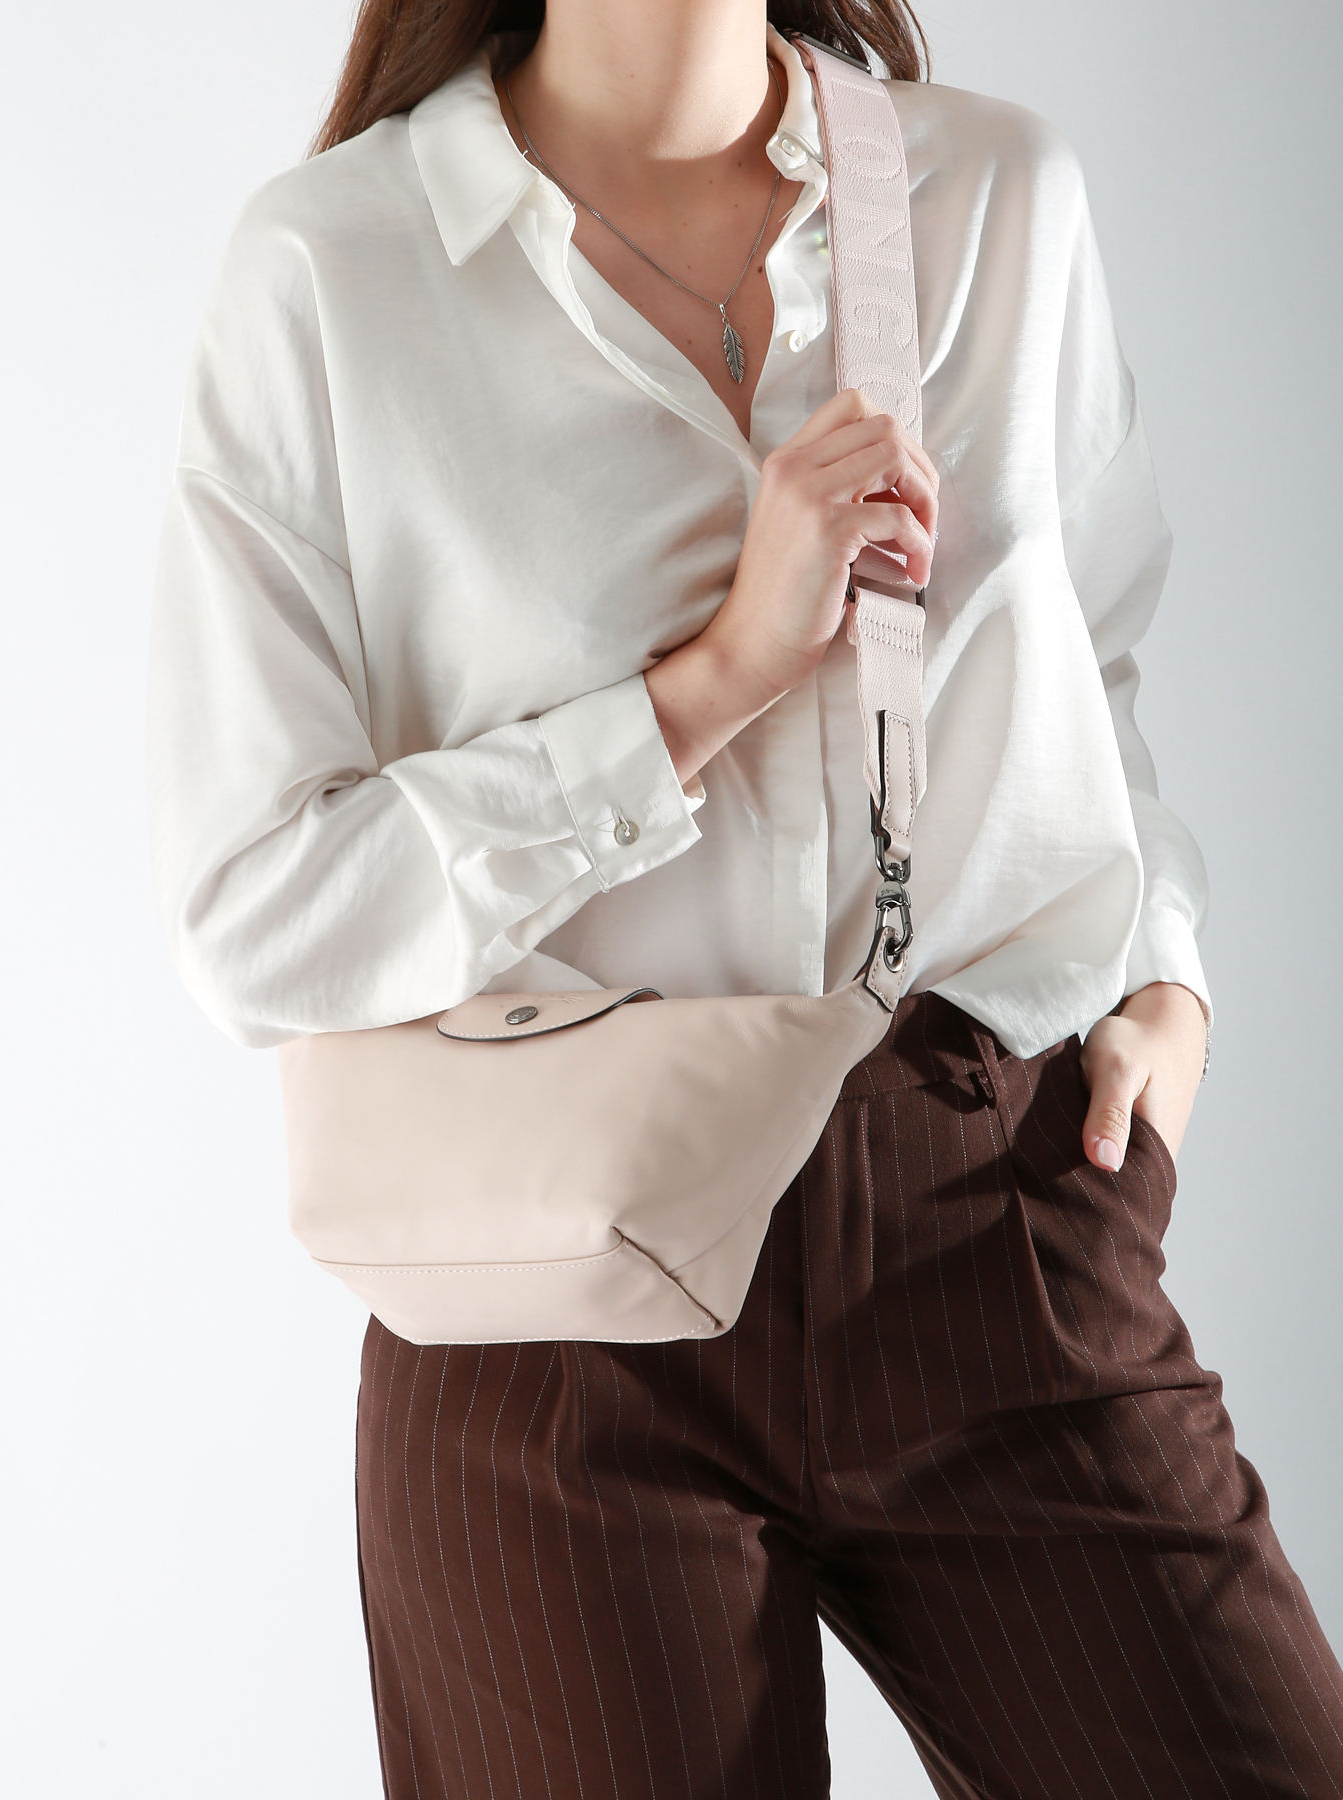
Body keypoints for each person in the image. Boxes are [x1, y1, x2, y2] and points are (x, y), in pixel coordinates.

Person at [143, 2, 1343, 1794]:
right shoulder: (331, 268)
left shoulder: (990, 194)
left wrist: (1162, 973)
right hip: (552, 1306)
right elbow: (259, 912)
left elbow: (1089, 652)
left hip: (992, 1219)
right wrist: (700, 691)